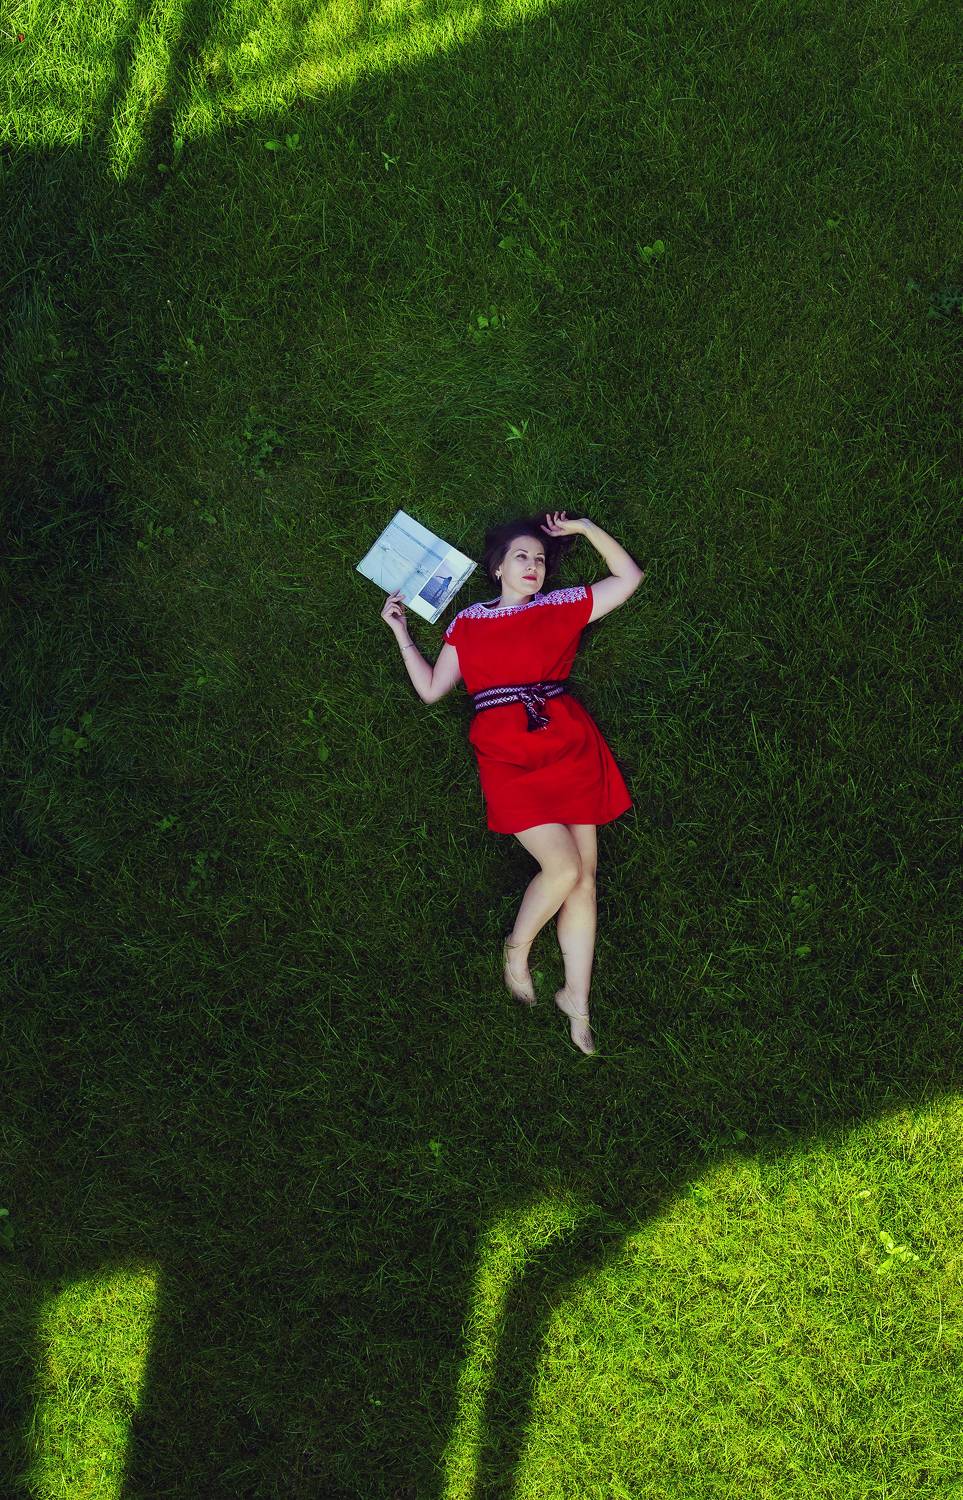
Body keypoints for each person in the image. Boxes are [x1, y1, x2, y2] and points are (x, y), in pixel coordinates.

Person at [381, 511, 645, 1055]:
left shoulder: (560, 605)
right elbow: (432, 690)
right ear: (498, 567)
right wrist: (401, 632)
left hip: (566, 743)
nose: (533, 566)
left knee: (584, 880)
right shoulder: (468, 622)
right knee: (563, 867)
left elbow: (628, 578)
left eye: (540, 559)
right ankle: (517, 946)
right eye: (521, 556)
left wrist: (585, 529)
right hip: (507, 754)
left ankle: (576, 998)